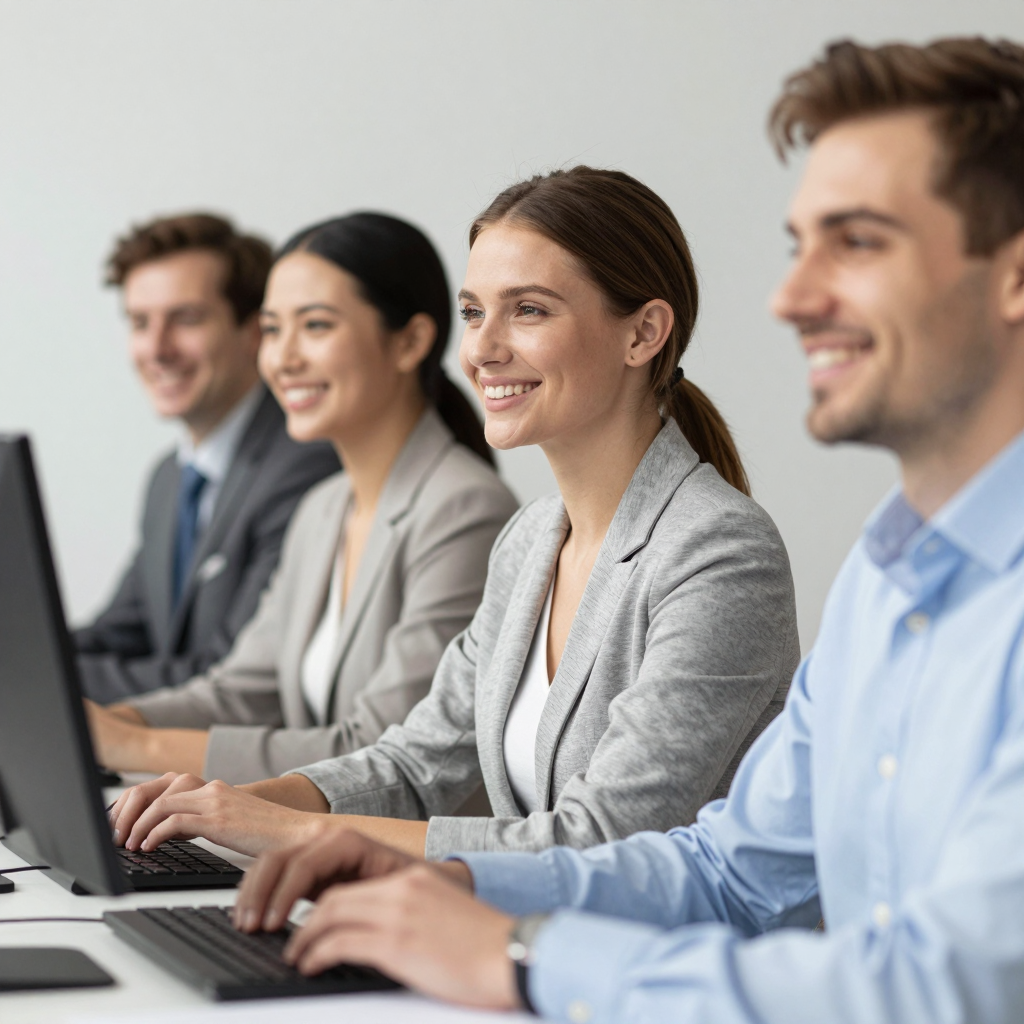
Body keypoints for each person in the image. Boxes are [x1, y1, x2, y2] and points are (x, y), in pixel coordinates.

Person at [226, 36, 1024, 1024]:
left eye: (857, 242)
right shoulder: (880, 578)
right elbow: (727, 869)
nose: (789, 298)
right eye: (797, 245)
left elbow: (948, 989)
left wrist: (521, 958)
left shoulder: (722, 551)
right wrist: (459, 888)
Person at [106, 167, 801, 862]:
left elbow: (601, 840)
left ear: (644, 332)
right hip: (518, 946)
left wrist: (289, 831)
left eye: (528, 310)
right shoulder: (530, 541)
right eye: (474, 312)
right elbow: (411, 766)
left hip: (664, 965)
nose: (482, 349)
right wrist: (223, 804)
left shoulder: (719, 551)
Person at [86, 212, 518, 785]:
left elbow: (380, 747)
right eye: (271, 329)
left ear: (411, 341)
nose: (283, 359)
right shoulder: (323, 508)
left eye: (315, 326)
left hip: (408, 860)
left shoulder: (465, 511)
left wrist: (134, 744)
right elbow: (243, 691)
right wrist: (102, 723)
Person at [76, 213, 340, 704]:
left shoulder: (305, 465)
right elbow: (120, 633)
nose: (157, 349)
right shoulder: (169, 479)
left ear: (253, 332)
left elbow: (227, 672)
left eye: (186, 319)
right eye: (140, 323)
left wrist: (46, 682)